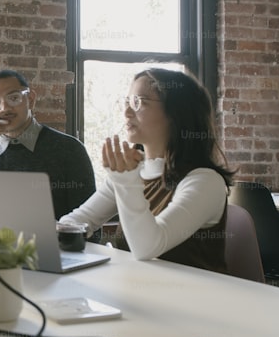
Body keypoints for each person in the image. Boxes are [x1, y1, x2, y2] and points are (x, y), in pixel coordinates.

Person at [59, 68, 234, 272]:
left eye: (139, 102)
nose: (126, 112)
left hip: (193, 299)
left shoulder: (205, 181)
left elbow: (148, 247)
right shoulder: (132, 173)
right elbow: (78, 221)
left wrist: (125, 180)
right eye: (127, 102)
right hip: (137, 290)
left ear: (176, 113)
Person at [0, 69, 95, 219]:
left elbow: (89, 226)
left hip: (51, 243)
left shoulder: (69, 150)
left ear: (31, 99)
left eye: (14, 98)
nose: (4, 108)